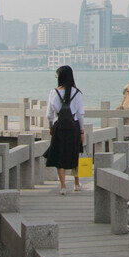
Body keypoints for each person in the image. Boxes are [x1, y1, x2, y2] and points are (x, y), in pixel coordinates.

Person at [45, 65, 85, 195]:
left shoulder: (53, 92)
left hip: (59, 127)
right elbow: (80, 115)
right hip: (73, 126)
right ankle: (77, 183)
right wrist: (82, 131)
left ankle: (63, 186)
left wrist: (51, 126)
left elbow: (49, 114)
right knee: (75, 153)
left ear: (60, 77)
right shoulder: (77, 93)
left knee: (59, 155)